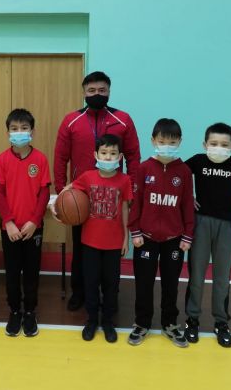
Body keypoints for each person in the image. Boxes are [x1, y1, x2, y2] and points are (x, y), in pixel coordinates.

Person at [54, 71, 140, 311]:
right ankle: (79, 292)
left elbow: (133, 157)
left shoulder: (123, 120)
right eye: (91, 91)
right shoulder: (71, 120)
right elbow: (60, 158)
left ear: (109, 91)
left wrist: (132, 191)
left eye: (102, 90)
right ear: (84, 93)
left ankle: (109, 294)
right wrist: (61, 193)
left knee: (110, 250)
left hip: (113, 196)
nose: (97, 94)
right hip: (80, 197)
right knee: (82, 248)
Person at [184, 122, 231, 348]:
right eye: (214, 143)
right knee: (196, 276)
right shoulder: (198, 161)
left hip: (227, 226)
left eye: (224, 144)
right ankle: (192, 320)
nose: (219, 147)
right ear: (205, 144)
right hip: (201, 224)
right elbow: (177, 177)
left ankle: (221, 322)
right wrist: (188, 197)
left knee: (221, 278)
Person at [127, 118, 194, 347]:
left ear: (180, 142)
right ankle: (141, 323)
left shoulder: (184, 171)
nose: (167, 146)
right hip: (145, 238)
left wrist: (188, 235)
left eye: (172, 142)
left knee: (171, 283)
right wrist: (135, 230)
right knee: (143, 283)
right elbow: (136, 203)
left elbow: (187, 205)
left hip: (174, 239)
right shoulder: (143, 168)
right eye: (162, 141)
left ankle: (170, 323)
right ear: (153, 140)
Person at [64, 134, 132, 343]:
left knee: (111, 284)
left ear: (119, 157)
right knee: (91, 283)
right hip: (90, 242)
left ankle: (108, 321)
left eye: (113, 153)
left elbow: (124, 209)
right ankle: (92, 320)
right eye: (104, 153)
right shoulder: (87, 177)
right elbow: (70, 192)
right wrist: (60, 206)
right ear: (96, 155)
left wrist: (126, 238)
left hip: (114, 243)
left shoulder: (124, 180)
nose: (108, 157)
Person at [0, 108, 51, 337]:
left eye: (24, 128)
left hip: (33, 228)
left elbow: (44, 193)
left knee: (32, 272)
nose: (19, 132)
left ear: (32, 131)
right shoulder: (2, 159)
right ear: (7, 132)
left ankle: (30, 312)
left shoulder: (40, 159)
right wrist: (8, 222)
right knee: (12, 272)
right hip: (10, 229)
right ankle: (15, 311)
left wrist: (35, 221)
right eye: (14, 129)